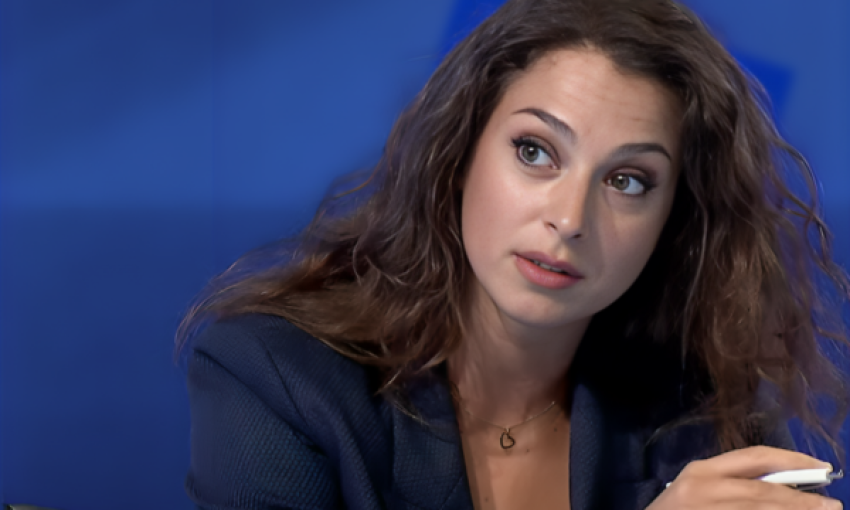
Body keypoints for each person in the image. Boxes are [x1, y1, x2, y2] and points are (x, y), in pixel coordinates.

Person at [177, 0, 849, 508]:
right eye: (535, 151)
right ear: (459, 155)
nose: (569, 219)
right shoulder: (278, 379)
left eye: (627, 181)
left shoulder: (701, 415)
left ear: (673, 220)